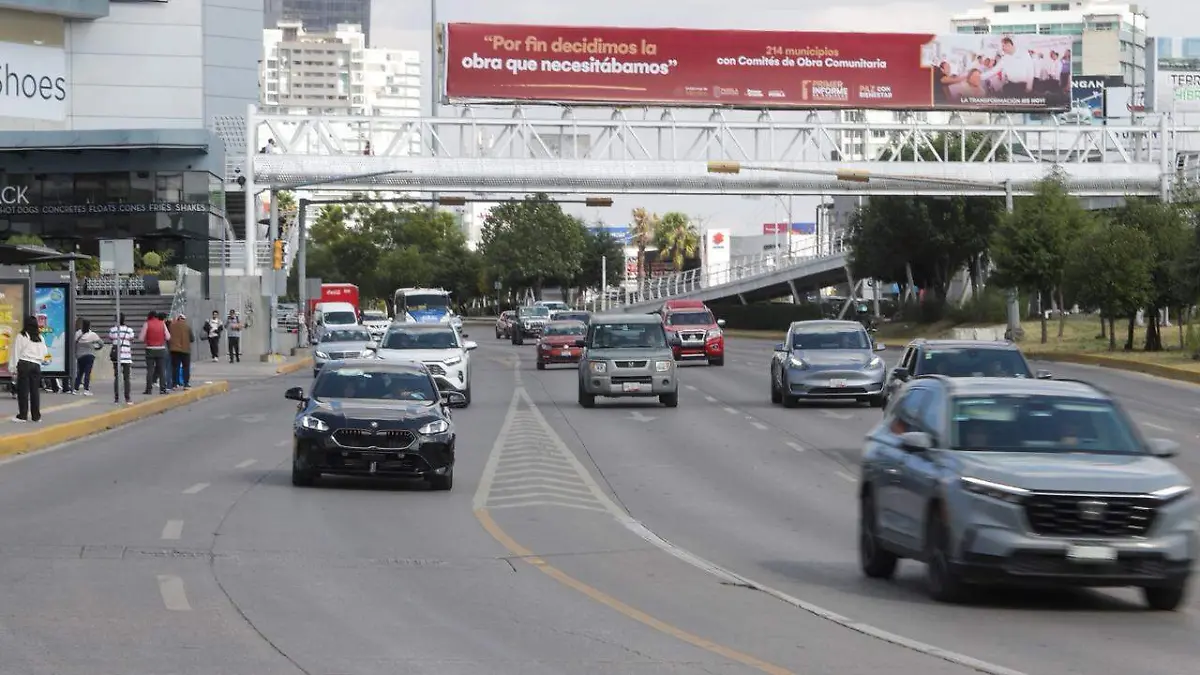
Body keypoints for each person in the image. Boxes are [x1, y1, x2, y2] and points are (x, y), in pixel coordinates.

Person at [8, 315, 48, 422]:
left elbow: (16, 352)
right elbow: (45, 353)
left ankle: (23, 415)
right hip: (36, 365)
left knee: (23, 391)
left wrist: (13, 368)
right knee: (35, 391)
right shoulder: (40, 337)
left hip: (24, 364)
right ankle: (36, 416)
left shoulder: (22, 336)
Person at [139, 310, 170, 395]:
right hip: (161, 349)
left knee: (150, 370)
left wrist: (147, 340)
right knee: (162, 370)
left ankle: (148, 389)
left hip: (150, 349)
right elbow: (168, 337)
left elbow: (141, 338)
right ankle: (163, 389)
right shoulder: (162, 323)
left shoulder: (147, 324)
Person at [108, 314, 135, 405]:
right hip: (127, 357)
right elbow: (131, 339)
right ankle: (128, 398)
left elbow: (111, 338)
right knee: (126, 378)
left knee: (117, 377)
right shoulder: (129, 330)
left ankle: (116, 398)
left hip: (116, 357)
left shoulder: (113, 330)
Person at [72, 319, 102, 396]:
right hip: (90, 355)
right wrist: (96, 348)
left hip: (80, 355)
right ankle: (86, 389)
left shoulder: (77, 334)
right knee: (87, 373)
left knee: (80, 373)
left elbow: (74, 343)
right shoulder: (93, 335)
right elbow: (101, 343)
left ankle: (75, 389)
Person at [168, 313, 194, 390]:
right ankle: (186, 384)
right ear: (184, 319)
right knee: (186, 367)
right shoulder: (187, 327)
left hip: (174, 350)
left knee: (175, 367)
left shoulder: (171, 326)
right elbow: (192, 339)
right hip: (185, 350)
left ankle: (174, 384)